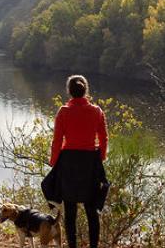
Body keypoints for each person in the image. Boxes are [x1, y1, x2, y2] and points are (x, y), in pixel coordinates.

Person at [49, 75, 108, 248]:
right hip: (90, 163)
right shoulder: (96, 111)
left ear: (69, 91)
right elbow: (104, 138)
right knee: (92, 210)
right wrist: (100, 158)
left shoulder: (63, 111)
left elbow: (57, 141)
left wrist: (54, 162)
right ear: (85, 90)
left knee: (70, 211)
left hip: (69, 163)